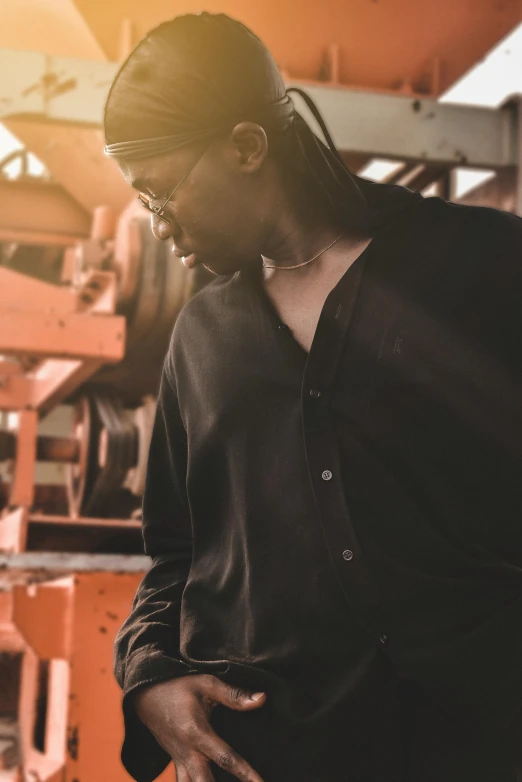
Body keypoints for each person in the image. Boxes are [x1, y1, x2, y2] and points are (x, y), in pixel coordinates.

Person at [104, 12, 522, 782]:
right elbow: (175, 552)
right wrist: (149, 673)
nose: (159, 226)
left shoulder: (487, 268)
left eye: (165, 192)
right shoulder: (199, 339)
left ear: (246, 145)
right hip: (278, 758)